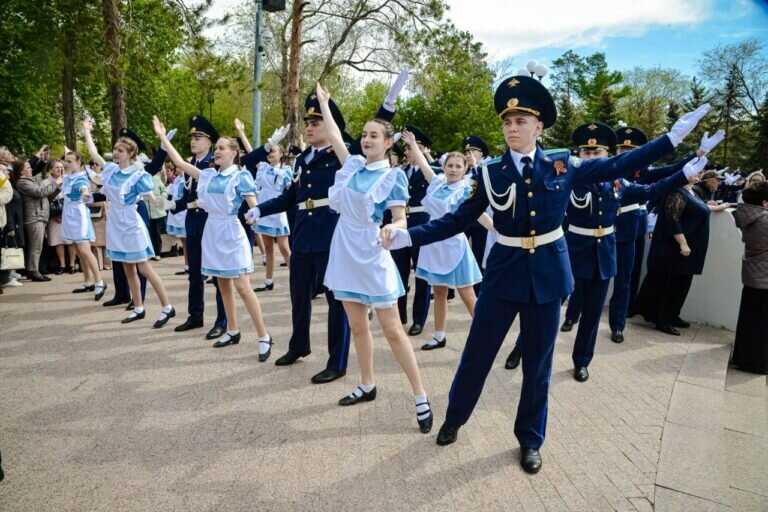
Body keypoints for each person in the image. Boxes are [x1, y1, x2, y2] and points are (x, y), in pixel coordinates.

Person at [383, 75, 711, 473]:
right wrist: (409, 236)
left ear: (538, 127)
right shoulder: (490, 172)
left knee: (538, 366)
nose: (512, 128)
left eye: (521, 121)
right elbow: (457, 220)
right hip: (503, 275)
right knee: (477, 355)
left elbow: (619, 165)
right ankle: (455, 418)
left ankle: (530, 438)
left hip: (548, 275)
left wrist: (671, 139)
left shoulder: (563, 164)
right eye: (508, 122)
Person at [244, 69, 408, 384]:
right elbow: (291, 196)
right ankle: (298, 345)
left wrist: (389, 102)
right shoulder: (303, 159)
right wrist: (260, 209)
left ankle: (337, 361)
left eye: (315, 122)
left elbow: (375, 134)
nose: (309, 127)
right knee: (298, 294)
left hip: (332, 234)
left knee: (338, 301)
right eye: (307, 123)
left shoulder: (344, 153)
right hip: (303, 233)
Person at [308, 84, 433, 433]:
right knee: (357, 325)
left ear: (388, 142)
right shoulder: (352, 166)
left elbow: (401, 218)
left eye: (374, 135)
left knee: (392, 329)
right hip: (344, 248)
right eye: (364, 135)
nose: (366, 139)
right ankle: (367, 383)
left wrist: (392, 228)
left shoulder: (393, 177)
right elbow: (335, 134)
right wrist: (324, 103)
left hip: (371, 248)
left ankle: (420, 395)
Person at [556, 122, 699, 382]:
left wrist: (683, 174)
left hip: (603, 253)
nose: (591, 157)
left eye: (597, 153)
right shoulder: (569, 178)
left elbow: (651, 190)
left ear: (607, 155)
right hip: (573, 250)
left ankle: (582, 360)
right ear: (579, 154)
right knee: (551, 302)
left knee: (592, 314)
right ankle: (523, 345)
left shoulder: (618, 184)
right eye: (586, 153)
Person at [154, 117, 273, 358]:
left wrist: (254, 215)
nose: (217, 151)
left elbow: (254, 206)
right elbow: (179, 162)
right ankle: (232, 330)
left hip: (231, 232)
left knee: (242, 286)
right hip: (212, 231)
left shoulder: (240, 176)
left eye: (221, 148)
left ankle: (264, 336)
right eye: (216, 148)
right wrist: (162, 137)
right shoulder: (209, 176)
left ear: (234, 153)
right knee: (222, 284)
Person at [604, 127, 723, 343]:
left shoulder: (643, 172)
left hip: (635, 226)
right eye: (622, 150)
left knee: (628, 277)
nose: (626, 154)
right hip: (609, 226)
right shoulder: (608, 169)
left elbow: (675, 169)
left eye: (631, 151)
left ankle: (620, 319)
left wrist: (699, 153)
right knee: (600, 276)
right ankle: (579, 312)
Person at [403, 131, 492, 350]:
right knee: (440, 292)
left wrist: (499, 231)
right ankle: (439, 335)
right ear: (444, 167)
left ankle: (485, 338)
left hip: (454, 245)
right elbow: (424, 164)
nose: (453, 169)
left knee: (467, 293)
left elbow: (480, 215)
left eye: (458, 166)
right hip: (433, 244)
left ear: (465, 169)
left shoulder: (466, 190)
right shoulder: (437, 183)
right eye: (450, 165)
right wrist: (413, 144)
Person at [83, 119, 176, 327]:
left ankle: (167, 306)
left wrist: (162, 201)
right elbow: (94, 154)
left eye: (121, 150)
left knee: (144, 268)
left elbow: (151, 196)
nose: (116, 153)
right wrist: (86, 131)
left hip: (131, 223)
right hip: (115, 223)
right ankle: (138, 307)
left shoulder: (138, 175)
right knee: (128, 268)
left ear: (131, 153)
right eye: (115, 149)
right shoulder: (111, 170)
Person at [633, 164, 730, 335]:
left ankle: (673, 314)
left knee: (682, 284)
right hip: (674, 249)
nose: (698, 174)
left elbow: (702, 208)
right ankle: (662, 319)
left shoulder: (691, 191)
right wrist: (683, 243)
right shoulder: (676, 192)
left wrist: (720, 207)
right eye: (694, 172)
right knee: (670, 285)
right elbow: (673, 220)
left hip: (688, 250)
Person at [165, 117, 229, 340]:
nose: (193, 141)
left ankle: (223, 320)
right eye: (192, 137)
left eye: (198, 137)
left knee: (217, 273)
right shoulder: (191, 164)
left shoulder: (214, 164)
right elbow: (187, 197)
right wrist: (170, 204)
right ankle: (195, 315)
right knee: (194, 273)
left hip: (209, 220)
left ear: (209, 142)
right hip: (192, 220)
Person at [234, 118, 292, 292]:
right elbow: (252, 153)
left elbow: (290, 192)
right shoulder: (263, 168)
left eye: (274, 151)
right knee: (268, 248)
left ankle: (297, 278)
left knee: (284, 248)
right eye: (270, 151)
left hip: (278, 210)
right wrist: (241, 132)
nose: (270, 154)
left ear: (281, 154)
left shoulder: (286, 171)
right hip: (263, 209)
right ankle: (268, 280)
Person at [390, 125, 435, 336]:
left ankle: (419, 319)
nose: (406, 151)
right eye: (406, 148)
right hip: (401, 223)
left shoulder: (432, 171)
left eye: (410, 147)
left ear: (422, 148)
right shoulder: (400, 172)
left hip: (421, 223)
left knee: (421, 274)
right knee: (399, 271)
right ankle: (400, 314)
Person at [731, 181, 768, 374]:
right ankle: (755, 362)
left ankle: (743, 357)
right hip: (764, 276)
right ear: (765, 202)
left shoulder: (750, 216)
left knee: (749, 320)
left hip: (754, 274)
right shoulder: (764, 219)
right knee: (761, 325)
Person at [60, 151, 107, 300]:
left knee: (85, 250)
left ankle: (99, 281)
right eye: (66, 161)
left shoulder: (81, 178)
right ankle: (88, 281)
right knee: (78, 251)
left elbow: (84, 188)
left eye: (70, 161)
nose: (66, 164)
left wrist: (85, 193)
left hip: (79, 216)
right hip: (69, 214)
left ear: (79, 163)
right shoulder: (68, 177)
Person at [11, 159, 61, 282]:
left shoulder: (30, 181)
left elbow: (46, 196)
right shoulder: (22, 182)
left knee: (37, 246)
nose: (31, 169)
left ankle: (32, 270)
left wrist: (57, 188)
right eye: (28, 167)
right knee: (36, 247)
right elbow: (40, 192)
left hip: (39, 216)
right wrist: (55, 183)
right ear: (21, 171)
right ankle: (34, 271)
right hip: (34, 217)